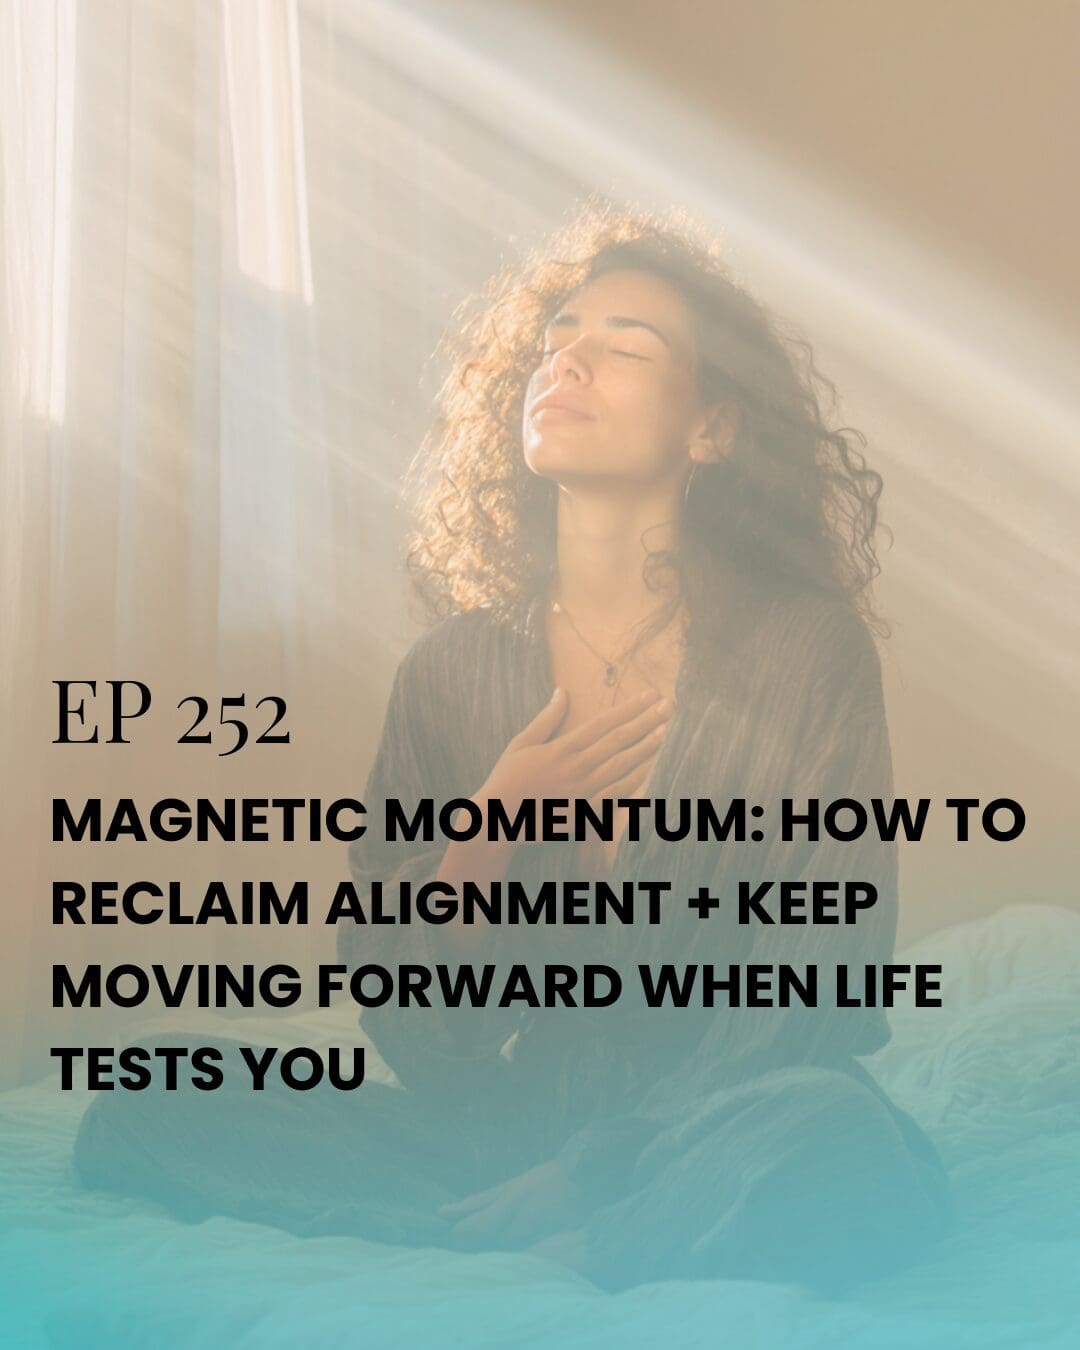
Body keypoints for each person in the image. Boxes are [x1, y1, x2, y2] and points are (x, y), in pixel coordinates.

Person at [74, 205, 952, 1293]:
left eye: (625, 347)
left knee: (836, 1140)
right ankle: (547, 1236)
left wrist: (601, 1169)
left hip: (709, 1121)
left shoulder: (803, 651)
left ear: (712, 429)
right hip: (505, 1130)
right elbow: (420, 1037)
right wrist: (482, 840)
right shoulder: (447, 673)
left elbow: (822, 975)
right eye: (554, 342)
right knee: (152, 1100)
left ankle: (586, 1232)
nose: (567, 360)